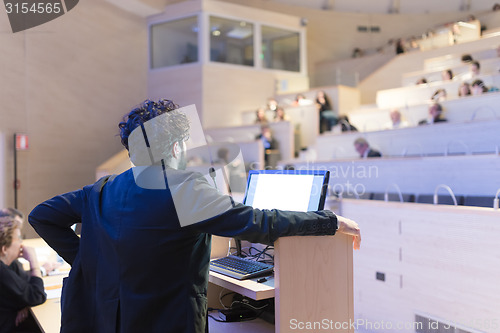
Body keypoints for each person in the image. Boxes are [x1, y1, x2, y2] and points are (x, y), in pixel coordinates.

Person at [28, 99, 362, 333]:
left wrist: (89, 262)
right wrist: (328, 220)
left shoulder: (102, 190)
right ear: (176, 148)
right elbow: (259, 222)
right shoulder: (183, 190)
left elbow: (42, 216)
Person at [0, 208, 47, 333]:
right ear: (5, 248)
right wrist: (34, 263)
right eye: (19, 239)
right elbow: (37, 295)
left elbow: (25, 283)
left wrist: (25, 303)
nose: (21, 244)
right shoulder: (2, 271)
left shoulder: (9, 264)